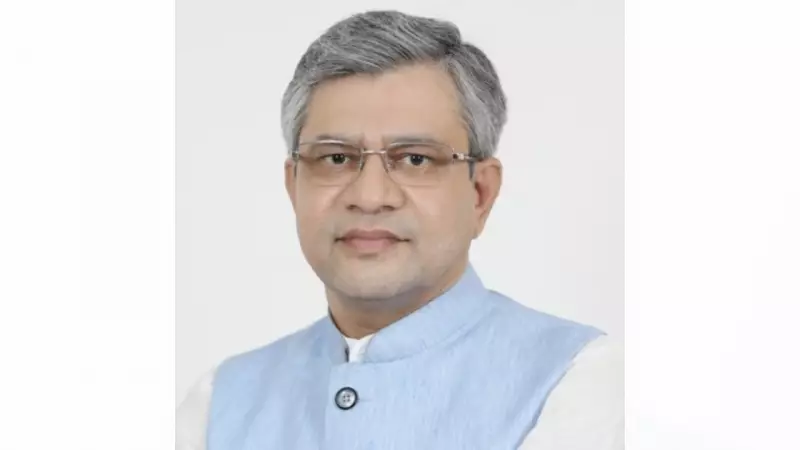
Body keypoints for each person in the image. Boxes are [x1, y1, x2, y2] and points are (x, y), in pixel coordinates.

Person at [177, 9, 622, 450]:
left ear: (480, 194)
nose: (370, 196)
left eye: (415, 159)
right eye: (336, 158)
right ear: (294, 187)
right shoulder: (218, 405)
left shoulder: (582, 381)